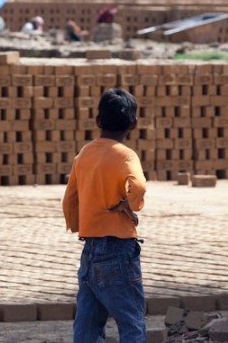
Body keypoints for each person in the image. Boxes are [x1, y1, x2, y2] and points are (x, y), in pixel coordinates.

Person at [62, 88, 147, 342]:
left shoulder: (84, 154)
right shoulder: (126, 155)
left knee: (86, 327)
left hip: (89, 251)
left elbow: (69, 200)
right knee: (131, 321)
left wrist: (80, 224)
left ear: (98, 121)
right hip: (119, 251)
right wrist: (129, 204)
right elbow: (139, 187)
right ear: (134, 124)